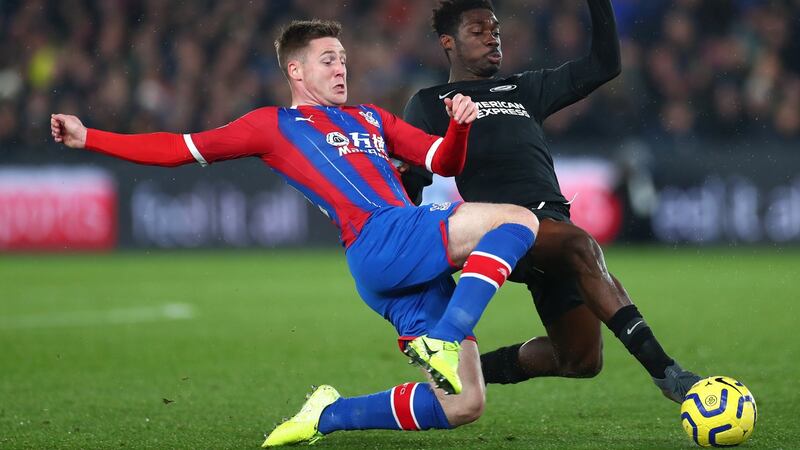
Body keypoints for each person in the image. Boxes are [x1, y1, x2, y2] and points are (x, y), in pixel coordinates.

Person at [50, 19, 540, 447]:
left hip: (397, 261)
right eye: (328, 60)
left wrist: (458, 129)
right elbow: (178, 147)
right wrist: (88, 136)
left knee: (465, 404)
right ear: (296, 71)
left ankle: (328, 415)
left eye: (344, 60)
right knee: (518, 219)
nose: (341, 69)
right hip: (381, 234)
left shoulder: (372, 117)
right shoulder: (274, 125)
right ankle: (447, 337)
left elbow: (442, 161)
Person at [402, 0, 701, 403]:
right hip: (503, 230)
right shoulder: (430, 102)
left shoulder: (525, 89)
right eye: (478, 31)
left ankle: (464, 373)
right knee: (581, 244)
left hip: (552, 226)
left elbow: (604, 65)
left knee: (579, 358)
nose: (492, 36)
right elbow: (411, 182)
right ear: (448, 42)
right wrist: (407, 252)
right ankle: (668, 372)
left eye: (496, 30)